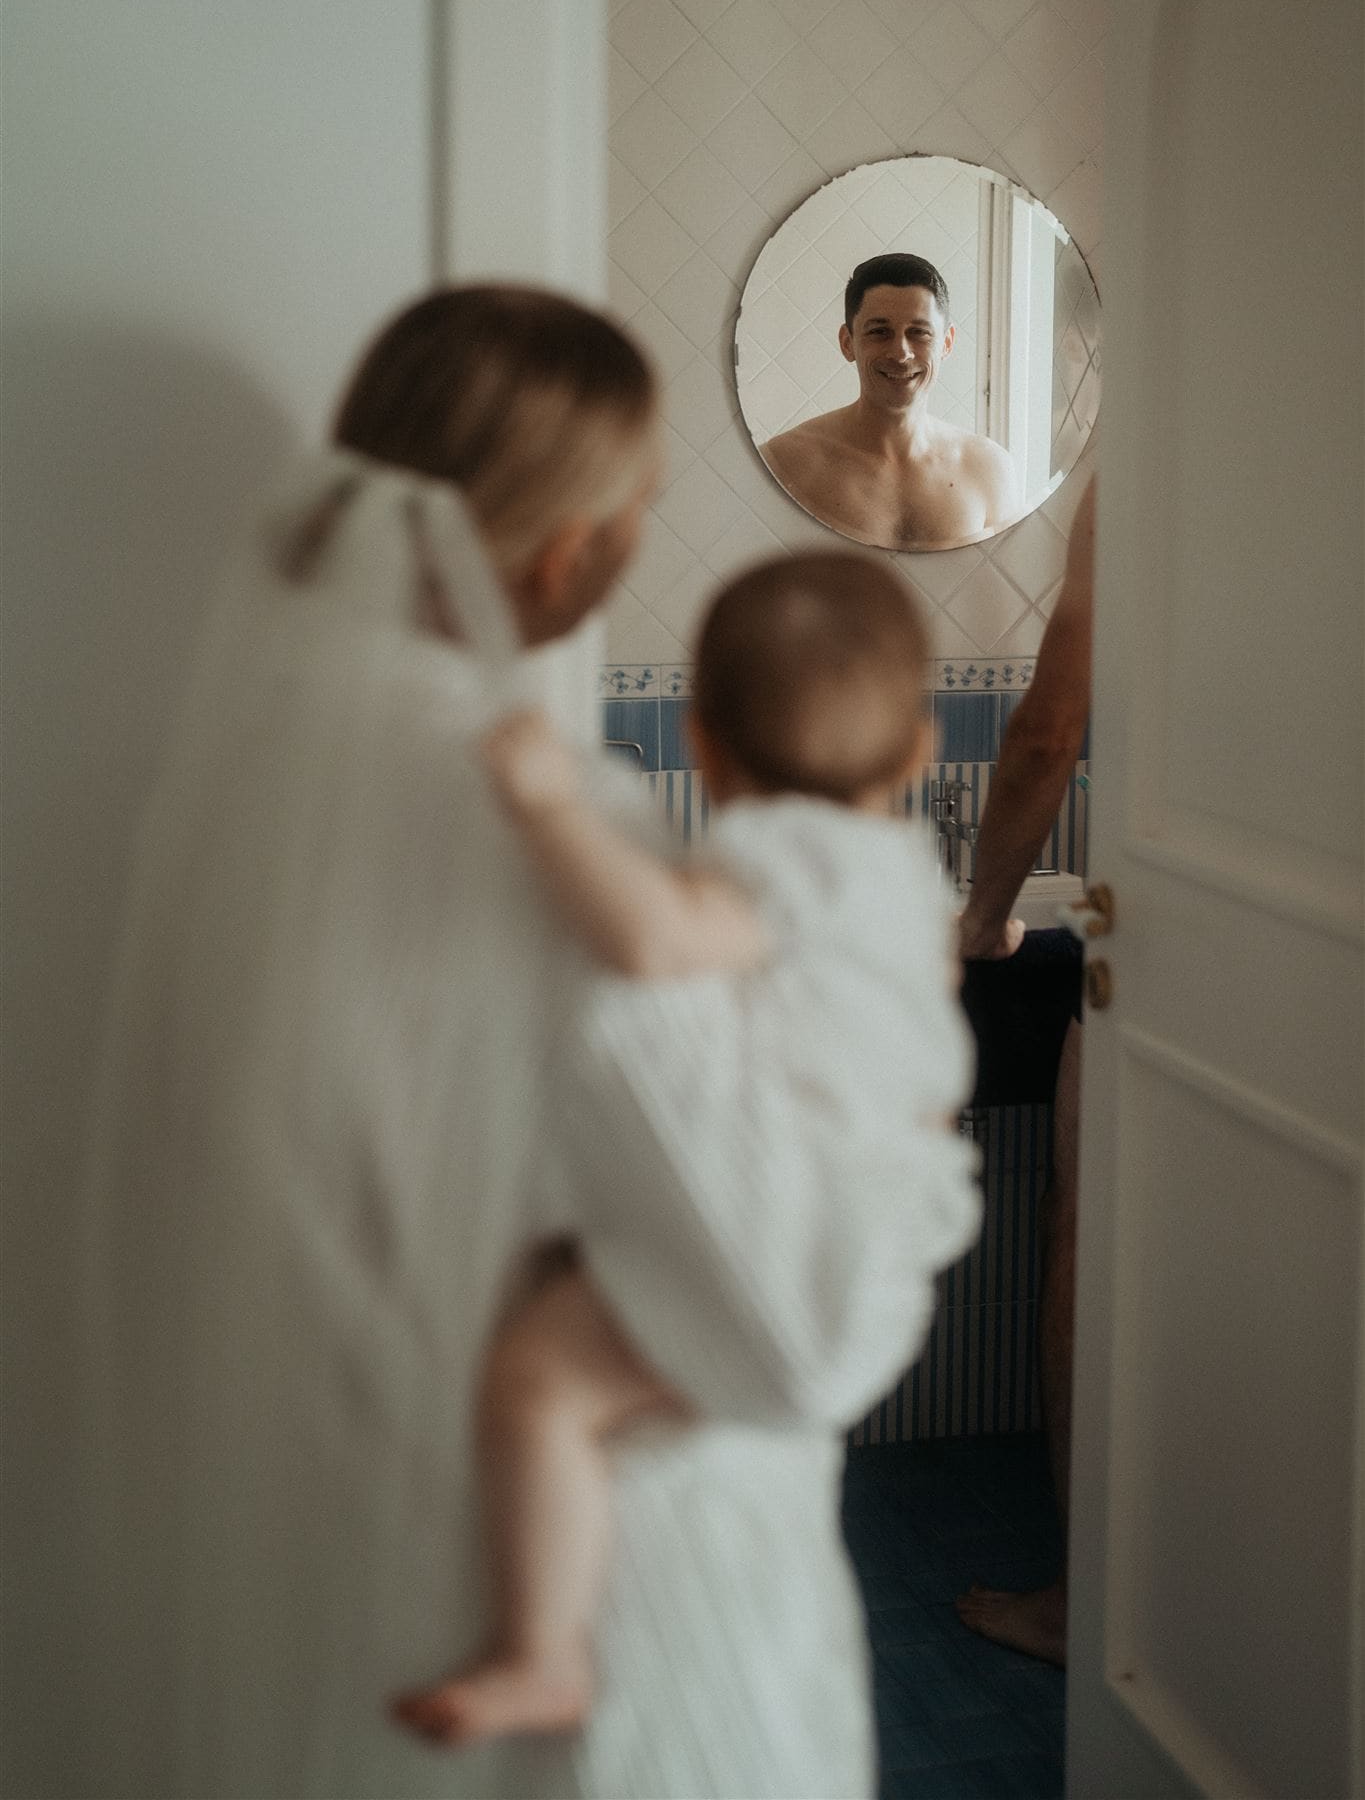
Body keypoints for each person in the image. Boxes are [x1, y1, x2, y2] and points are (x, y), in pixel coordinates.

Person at [74, 284, 984, 1800]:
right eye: (637, 501)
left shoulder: (256, 769)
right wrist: (914, 1170)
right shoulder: (570, 835)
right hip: (633, 1584)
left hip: (341, 1501)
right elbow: (786, 1321)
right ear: (574, 547)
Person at [391, 550, 981, 1749]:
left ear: (699, 743)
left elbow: (659, 943)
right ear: (922, 753)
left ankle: (542, 1649)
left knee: (538, 1386)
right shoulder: (912, 881)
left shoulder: (784, 854)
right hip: (868, 1290)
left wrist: (547, 804)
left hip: (766, 1255)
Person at [955, 473, 1096, 1669]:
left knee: (1087, 1236)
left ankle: (1086, 1598)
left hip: (1191, 961)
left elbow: (1050, 727)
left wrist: (984, 916)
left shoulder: (1158, 464)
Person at [760, 253, 1023, 550]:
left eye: (919, 333)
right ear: (848, 343)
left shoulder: (989, 468)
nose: (901, 353)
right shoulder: (786, 463)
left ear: (946, 344)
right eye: (880, 332)